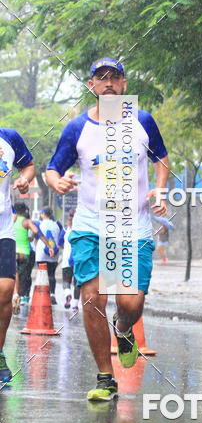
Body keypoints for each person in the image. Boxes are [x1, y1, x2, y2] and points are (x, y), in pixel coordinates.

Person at [46, 57, 169, 402]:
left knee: (130, 302)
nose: (109, 83)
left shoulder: (142, 121)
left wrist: (159, 188)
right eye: (102, 79)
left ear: (125, 85)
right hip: (90, 225)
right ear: (92, 86)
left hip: (132, 226)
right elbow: (53, 168)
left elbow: (162, 159)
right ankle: (105, 377)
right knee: (93, 297)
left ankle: (124, 327)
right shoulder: (77, 128)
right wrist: (58, 182)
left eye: (115, 78)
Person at [0, 132, 36, 383]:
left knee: (5, 291)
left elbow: (29, 166)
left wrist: (24, 179)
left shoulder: (9, 138)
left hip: (2, 227)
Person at [13, 202, 53, 313]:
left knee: (14, 274)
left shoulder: (13, 219)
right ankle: (19, 296)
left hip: (13, 251)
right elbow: (36, 231)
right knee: (22, 277)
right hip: (25, 253)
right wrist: (48, 245)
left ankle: (15, 294)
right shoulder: (27, 221)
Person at [34, 207, 61, 304]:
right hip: (54, 253)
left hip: (41, 253)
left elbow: (36, 237)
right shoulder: (57, 225)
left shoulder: (39, 224)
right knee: (51, 275)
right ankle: (52, 295)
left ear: (43, 214)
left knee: (42, 274)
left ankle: (43, 296)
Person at [61, 211, 81, 310]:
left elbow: (59, 244)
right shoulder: (81, 230)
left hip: (66, 261)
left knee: (66, 281)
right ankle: (75, 305)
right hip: (78, 261)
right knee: (77, 283)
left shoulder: (65, 230)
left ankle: (68, 294)